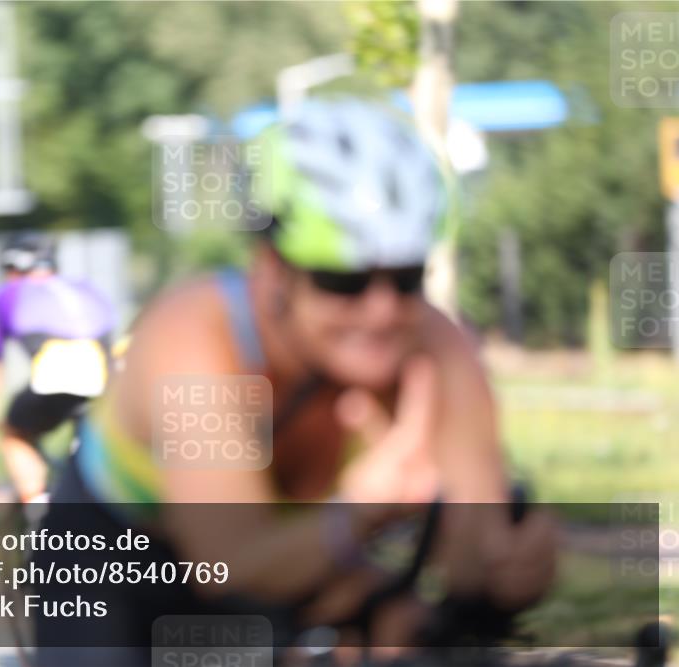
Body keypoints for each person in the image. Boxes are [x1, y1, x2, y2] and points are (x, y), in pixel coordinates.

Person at [33, 98, 556, 666]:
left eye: (407, 279)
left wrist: (510, 570)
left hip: (298, 556)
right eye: (343, 281)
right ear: (273, 268)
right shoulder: (194, 340)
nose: (381, 312)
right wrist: (364, 509)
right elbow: (225, 569)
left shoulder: (437, 346)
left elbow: (474, 556)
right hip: (120, 562)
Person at [0, 233, 116, 503]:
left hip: (57, 382)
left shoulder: (8, 294)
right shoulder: (87, 287)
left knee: (15, 434)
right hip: (112, 384)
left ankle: (37, 508)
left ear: (13, 268)